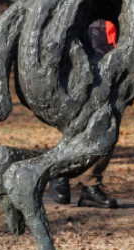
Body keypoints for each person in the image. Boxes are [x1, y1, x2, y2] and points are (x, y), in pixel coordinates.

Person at [49, 18, 120, 209]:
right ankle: (60, 171)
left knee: (108, 123)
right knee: (84, 119)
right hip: (88, 30)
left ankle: (89, 185)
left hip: (112, 29)